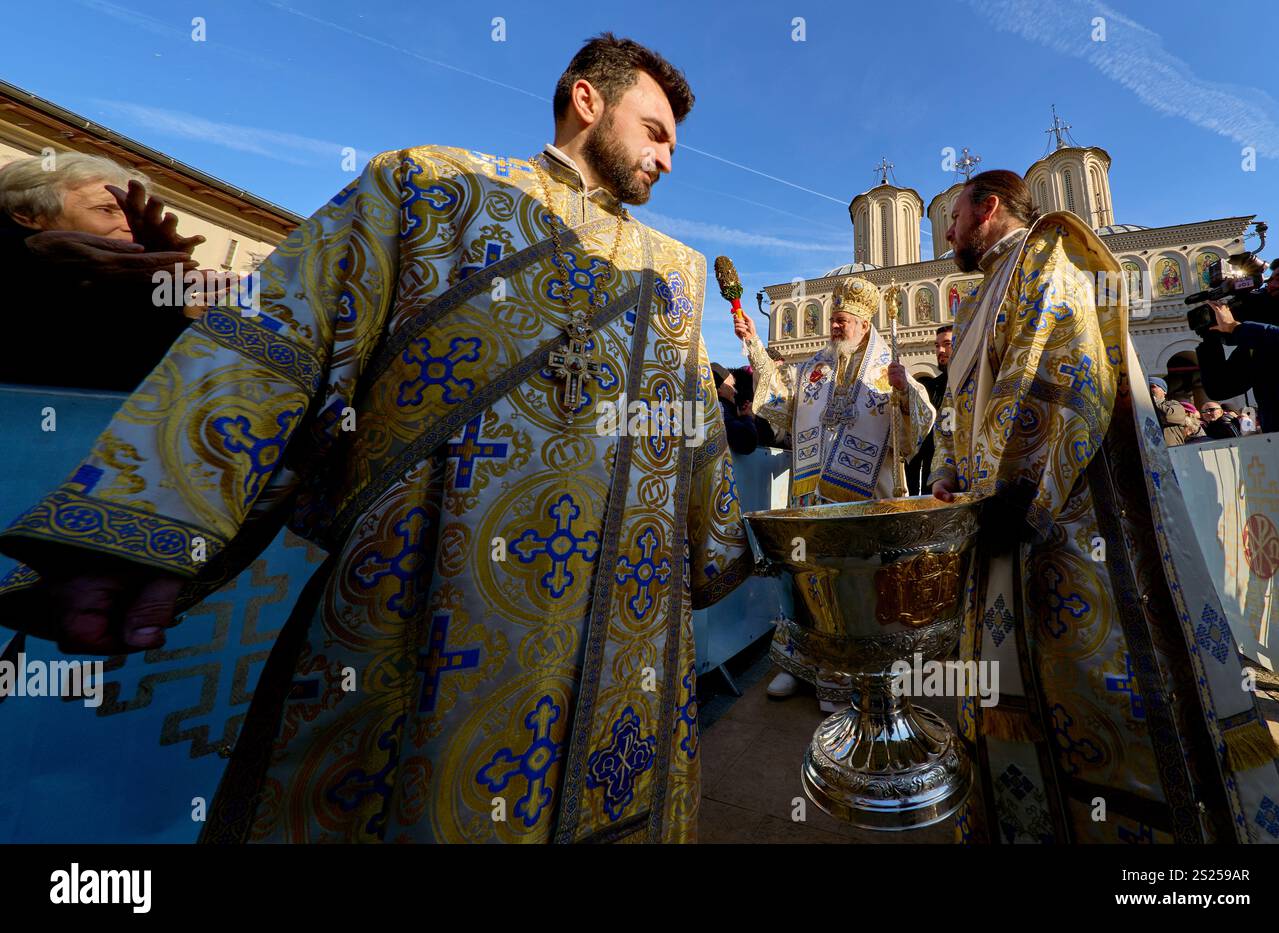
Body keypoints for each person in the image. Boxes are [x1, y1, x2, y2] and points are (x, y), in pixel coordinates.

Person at [0, 34, 751, 845]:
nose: (669, 159)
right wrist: (142, 517)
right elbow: (279, 338)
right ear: (586, 101)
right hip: (422, 615)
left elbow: (694, 434)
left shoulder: (673, 271)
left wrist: (717, 546)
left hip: (623, 643)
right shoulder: (425, 186)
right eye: (657, 132)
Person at [930, 168, 1279, 843]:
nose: (945, 231)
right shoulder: (978, 296)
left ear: (986, 207)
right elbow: (962, 403)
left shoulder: (1047, 254)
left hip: (1062, 521)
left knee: (1094, 695)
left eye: (951, 217)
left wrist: (1007, 495)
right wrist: (951, 473)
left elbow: (1058, 374)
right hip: (996, 516)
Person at [733, 276, 935, 709]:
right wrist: (752, 344)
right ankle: (797, 664)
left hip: (862, 500)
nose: (835, 328)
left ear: (864, 324)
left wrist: (904, 394)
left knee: (852, 591)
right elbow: (779, 402)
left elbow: (915, 431)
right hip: (809, 499)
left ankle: (843, 677)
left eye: (842, 321)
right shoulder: (813, 368)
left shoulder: (889, 370)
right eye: (832, 320)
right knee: (803, 582)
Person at [0, 153, 205, 390]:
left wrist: (165, 280)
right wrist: (23, 258)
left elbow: (155, 376)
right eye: (106, 210)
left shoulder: (124, 287)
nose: (128, 226)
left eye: (132, 214)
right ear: (29, 215)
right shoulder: (21, 274)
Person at [1198, 256, 1279, 434]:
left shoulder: (1261, 335)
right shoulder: (1260, 341)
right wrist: (1211, 337)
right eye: (1271, 280)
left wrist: (1235, 328)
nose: (1273, 285)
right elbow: (1221, 386)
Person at [906, 323, 952, 493]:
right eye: (937, 345)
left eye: (947, 344)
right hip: (932, 484)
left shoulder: (976, 385)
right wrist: (912, 494)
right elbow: (917, 446)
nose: (940, 351)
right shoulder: (928, 389)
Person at [711, 361, 758, 454]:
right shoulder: (720, 409)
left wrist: (741, 416)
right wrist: (748, 417)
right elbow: (746, 443)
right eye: (732, 385)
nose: (735, 391)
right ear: (719, 388)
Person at [1147, 376, 1187, 446]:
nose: (1149, 390)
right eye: (1147, 387)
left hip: (1173, 450)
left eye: (1153, 386)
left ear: (1164, 391)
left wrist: (1155, 402)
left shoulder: (1173, 404)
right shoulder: (1144, 408)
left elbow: (1168, 416)